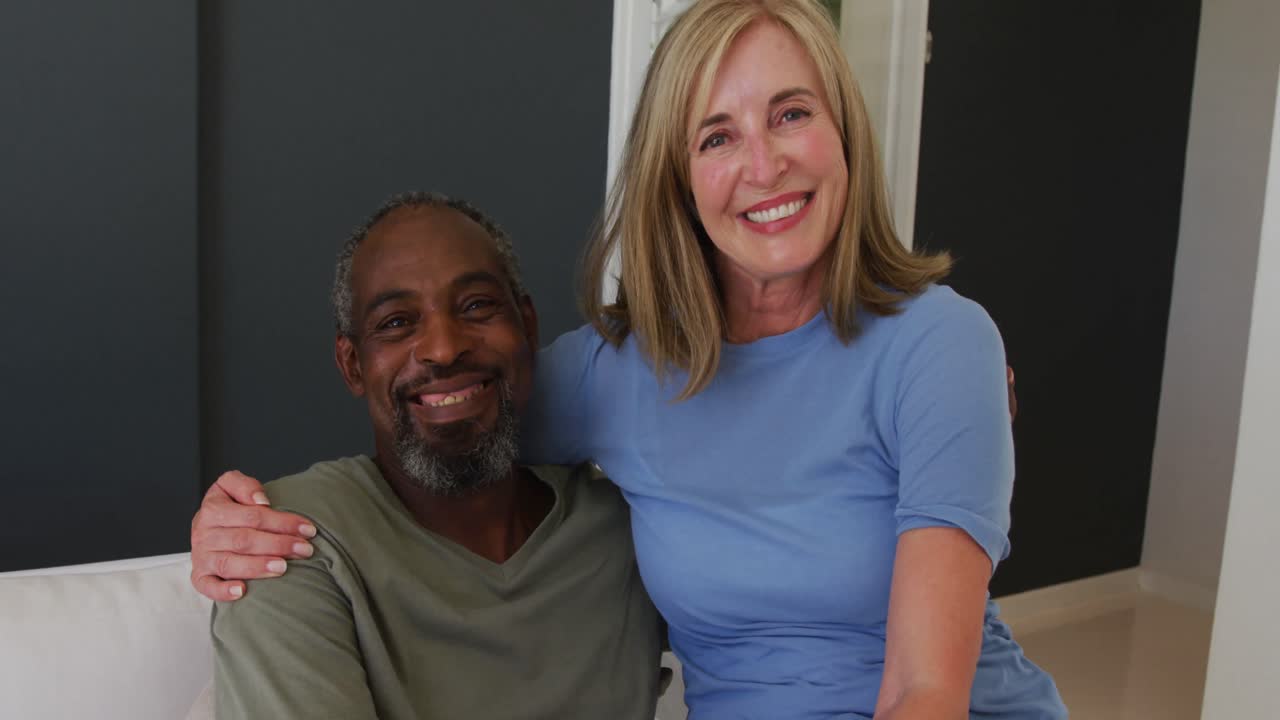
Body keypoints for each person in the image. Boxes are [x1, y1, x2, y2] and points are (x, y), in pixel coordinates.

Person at [190, 1, 1065, 718]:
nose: (764, 164)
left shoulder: (937, 343)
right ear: (677, 178)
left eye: (792, 113)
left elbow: (926, 691)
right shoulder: (620, 374)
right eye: (716, 136)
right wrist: (238, 514)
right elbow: (441, 415)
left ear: (845, 135)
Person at [207, 193, 663, 719]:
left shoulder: (624, 527)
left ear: (527, 326)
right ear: (353, 365)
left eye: (475, 306)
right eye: (397, 322)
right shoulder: (287, 541)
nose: (443, 348)